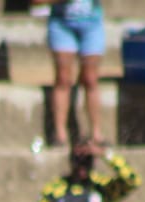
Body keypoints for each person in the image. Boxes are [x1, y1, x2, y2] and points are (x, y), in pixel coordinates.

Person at [31, 0, 106, 147]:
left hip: (92, 23)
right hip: (61, 23)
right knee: (63, 79)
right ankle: (60, 135)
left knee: (90, 79)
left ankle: (96, 133)